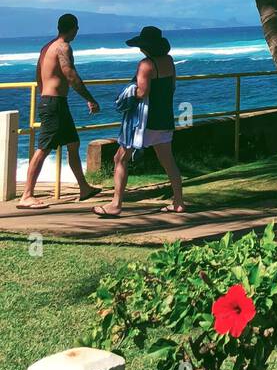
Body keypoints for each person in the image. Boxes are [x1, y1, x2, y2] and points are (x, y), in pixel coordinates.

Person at [95, 25, 185, 218]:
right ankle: (178, 202)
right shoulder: (169, 61)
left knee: (120, 158)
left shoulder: (145, 65)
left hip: (144, 121)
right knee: (168, 161)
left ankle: (116, 204)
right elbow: (173, 86)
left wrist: (128, 91)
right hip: (164, 118)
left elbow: (143, 92)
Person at [17, 13, 101, 209]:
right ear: (73, 28)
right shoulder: (63, 47)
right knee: (44, 148)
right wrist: (90, 99)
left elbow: (39, 74)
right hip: (54, 103)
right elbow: (71, 75)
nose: (77, 32)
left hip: (54, 102)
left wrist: (44, 94)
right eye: (76, 29)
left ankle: (84, 188)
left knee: (73, 143)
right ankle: (26, 195)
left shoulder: (47, 47)